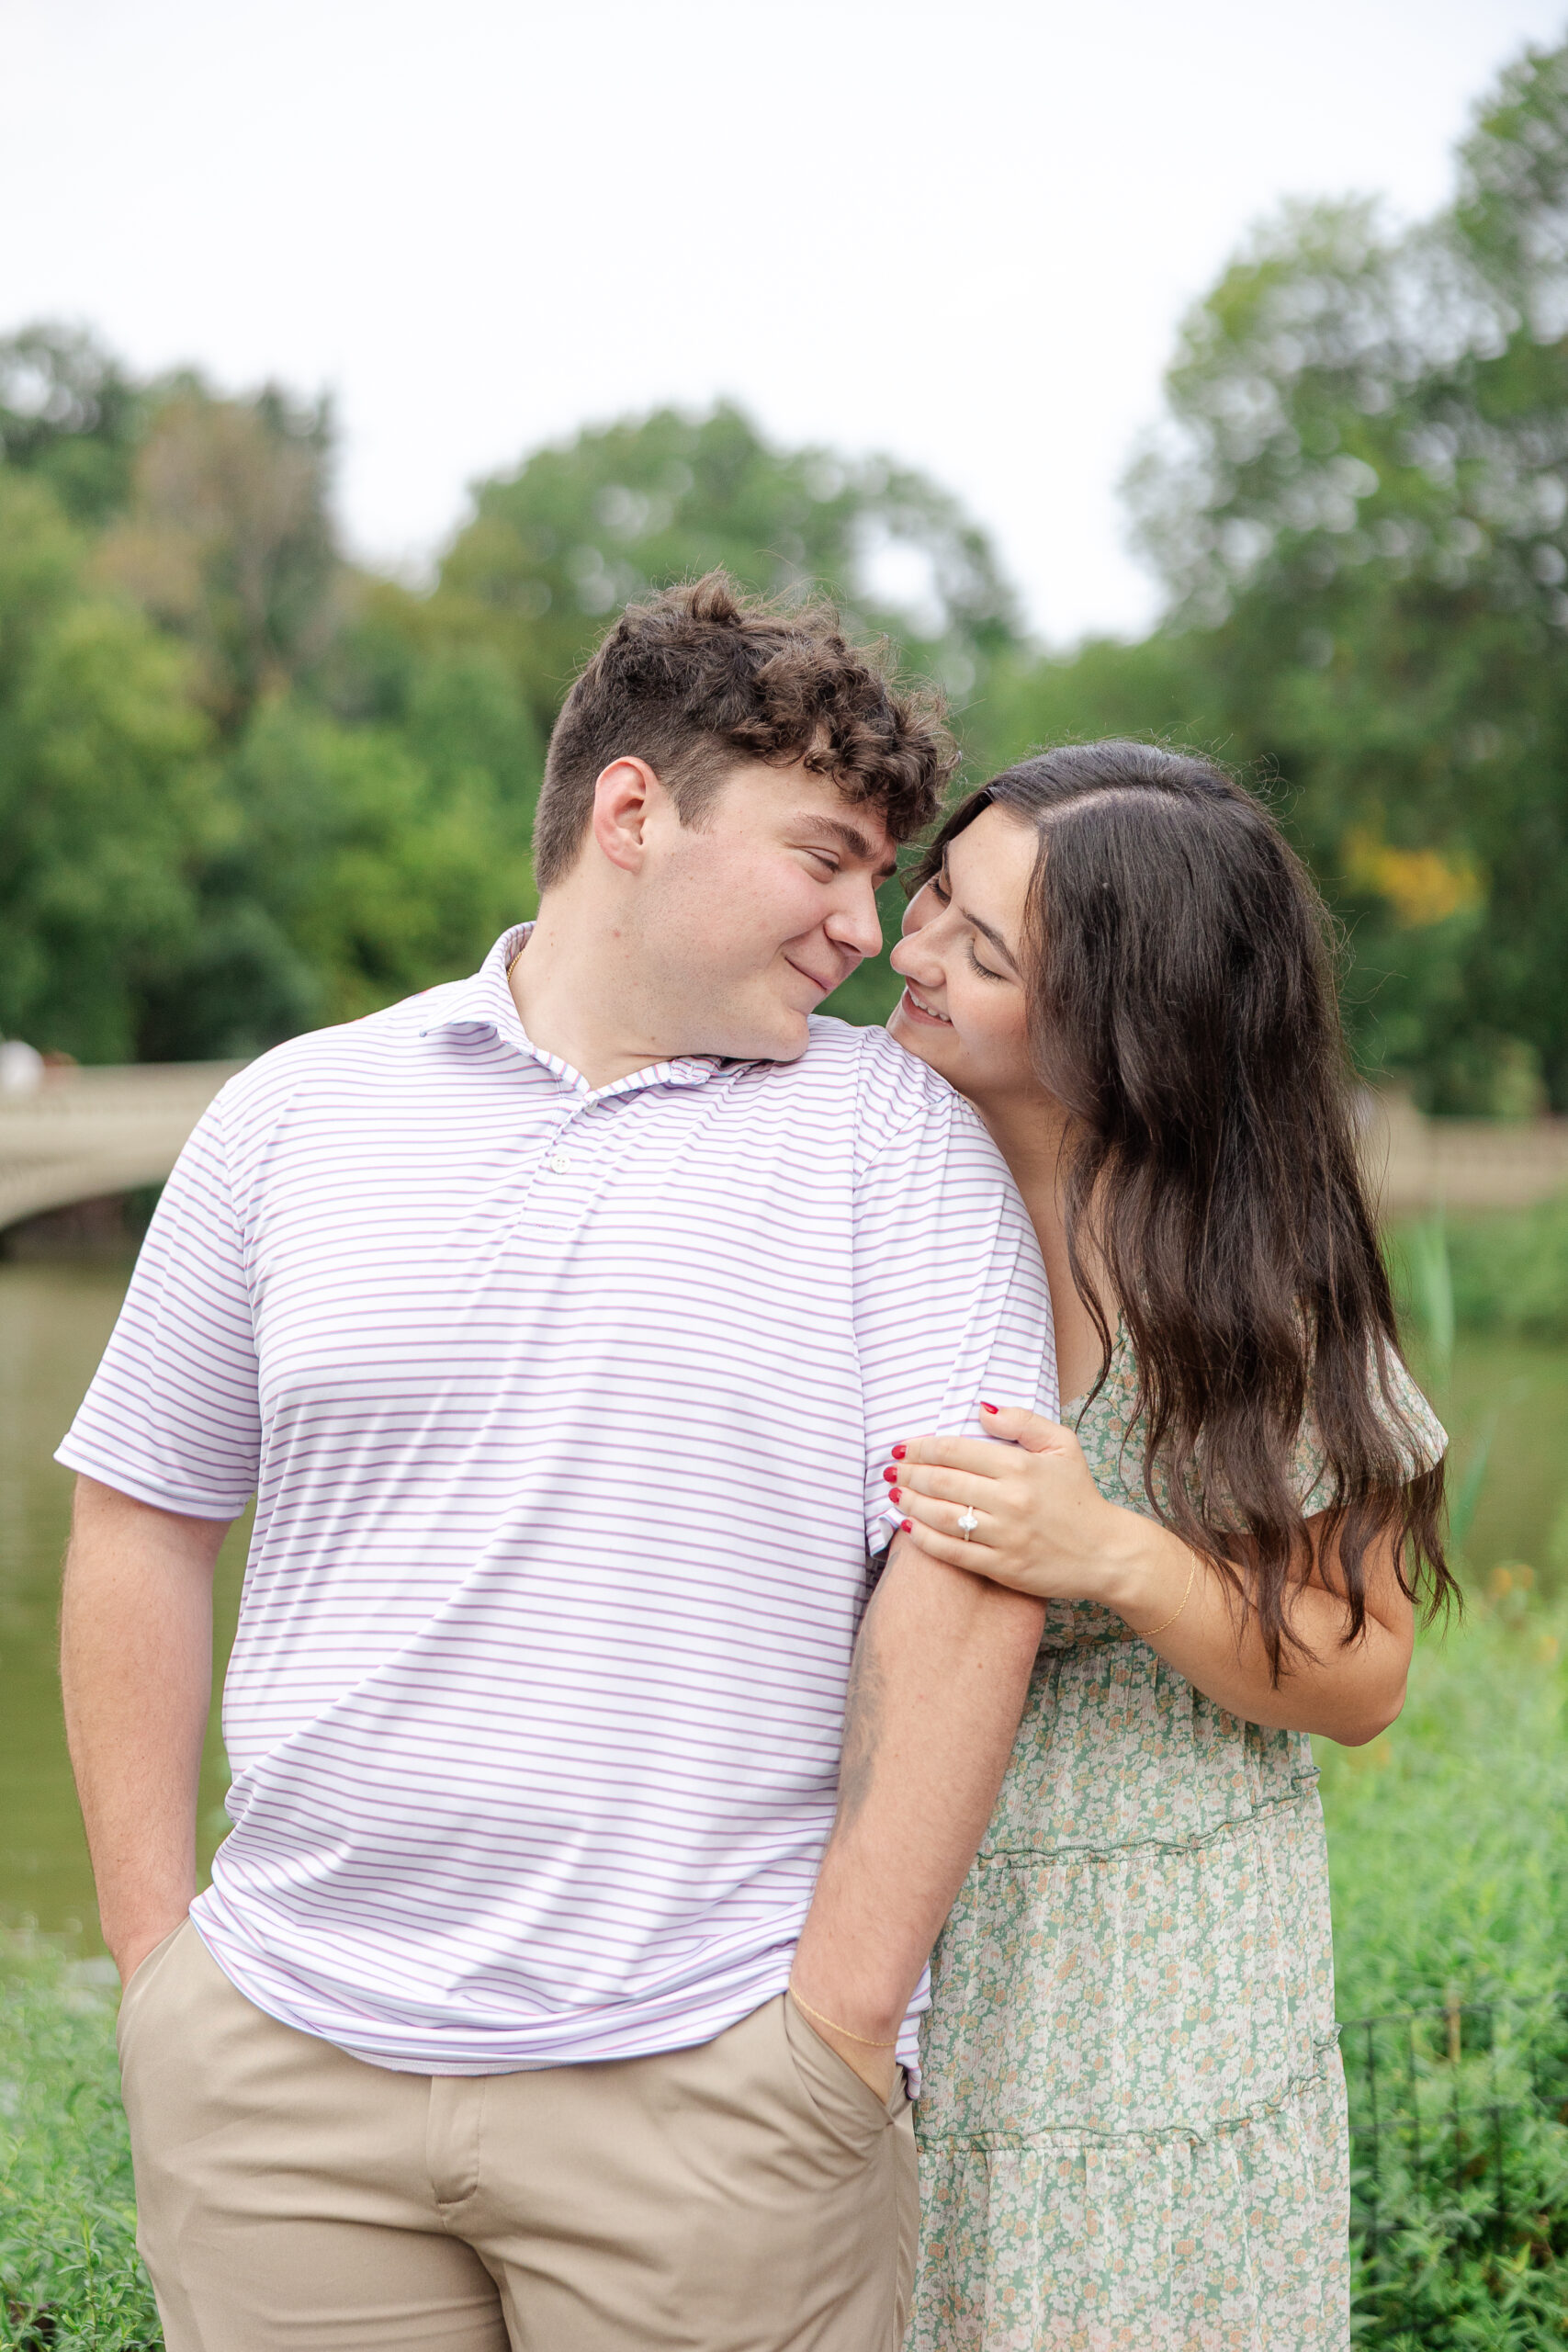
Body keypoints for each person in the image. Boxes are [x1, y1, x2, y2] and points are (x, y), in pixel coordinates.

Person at [54, 575, 1057, 2352]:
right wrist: (160, 1978)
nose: (865, 927)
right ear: (632, 813)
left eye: (882, 876)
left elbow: (968, 1578)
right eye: (826, 855)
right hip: (283, 2084)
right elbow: (143, 1511)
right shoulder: (295, 1116)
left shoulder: (894, 1141)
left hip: (709, 2094)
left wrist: (838, 2031)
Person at [873, 744, 1451, 2349]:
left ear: (1126, 1031)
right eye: (935, 892)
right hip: (873, 1920)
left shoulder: (1246, 1280)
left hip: (1153, 1971)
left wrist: (1115, 1554)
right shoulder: (854, 1162)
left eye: (982, 954)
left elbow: (1367, 1670)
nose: (908, 950)